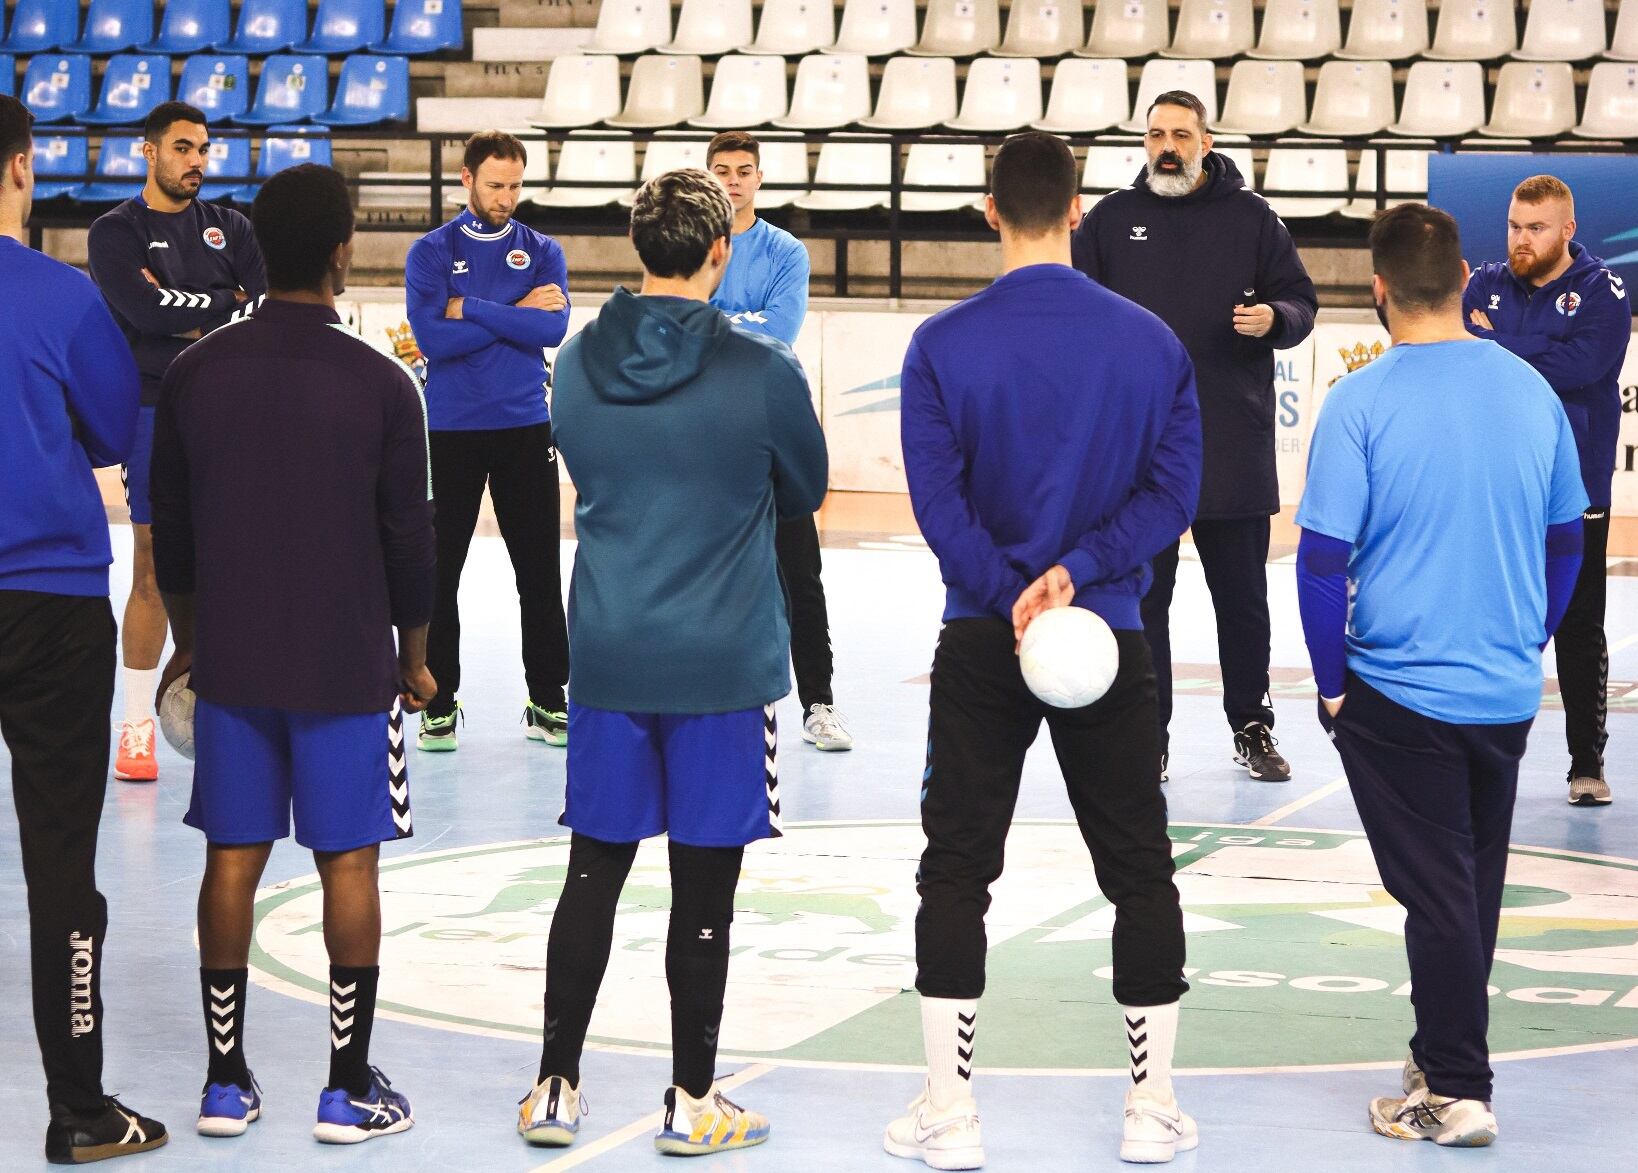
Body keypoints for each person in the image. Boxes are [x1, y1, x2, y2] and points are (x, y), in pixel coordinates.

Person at [891, 131, 1199, 1169]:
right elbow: (1172, 495)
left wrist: (1009, 589)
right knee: (1140, 868)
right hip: (1108, 635)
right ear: (1078, 210)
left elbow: (937, 505)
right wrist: (1081, 569)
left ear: (990, 210)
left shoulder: (941, 343)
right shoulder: (1152, 343)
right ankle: (1151, 1111)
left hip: (984, 637)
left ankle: (951, 1113)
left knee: (957, 871)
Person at [516, 168, 827, 1155]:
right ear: (721, 251)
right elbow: (803, 489)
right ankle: (693, 1099)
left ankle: (554, 1087)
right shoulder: (761, 369)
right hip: (721, 665)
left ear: (639, 249)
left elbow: (579, 458)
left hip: (608, 651)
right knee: (704, 892)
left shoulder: (572, 362)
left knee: (591, 873)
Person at [150, 164, 437, 1146]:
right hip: (344, 664)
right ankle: (346, 1088)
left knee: (232, 860)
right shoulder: (382, 382)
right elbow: (411, 539)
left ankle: (225, 1083)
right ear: (343, 250)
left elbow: (173, 540)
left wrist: (191, 647)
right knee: (347, 864)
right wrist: (418, 657)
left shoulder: (195, 372)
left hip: (232, 662)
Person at [1296, 204, 1587, 1148]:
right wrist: (1529, 638)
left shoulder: (1361, 402)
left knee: (1437, 890)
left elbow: (1321, 561)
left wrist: (1333, 685)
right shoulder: (1532, 392)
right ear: (1466, 280)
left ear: (1376, 288)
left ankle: (1456, 1087)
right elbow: (1568, 540)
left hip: (1398, 689)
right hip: (1503, 692)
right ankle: (1438, 1051)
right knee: (1470, 881)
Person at [0, 92, 169, 1166]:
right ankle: (80, 1112)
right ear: (21, 168)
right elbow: (114, 426)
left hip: (52, 594)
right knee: (62, 857)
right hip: (49, 600)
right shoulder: (59, 298)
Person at [1072, 89, 1318, 785]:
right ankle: (1147, 739)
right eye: (1155, 134)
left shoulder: (1252, 219)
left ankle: (1253, 726)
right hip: (1139, 455)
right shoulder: (1111, 221)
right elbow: (1075, 307)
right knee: (1144, 603)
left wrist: (1275, 318)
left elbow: (1303, 301)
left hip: (1229, 446)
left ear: (1207, 142)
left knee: (1242, 602)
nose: (1167, 146)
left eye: (1181, 133)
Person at [87, 100, 266, 784]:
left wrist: (184, 309)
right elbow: (139, 311)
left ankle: (230, 712)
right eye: (184, 147)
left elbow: (262, 305)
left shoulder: (233, 226)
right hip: (154, 408)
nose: (196, 160)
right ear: (149, 151)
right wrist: (220, 304)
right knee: (154, 564)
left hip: (231, 407)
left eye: (203, 149)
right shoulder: (115, 232)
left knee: (236, 561)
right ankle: (135, 723)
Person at [1462, 175, 1630, 807]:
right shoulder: (1484, 282)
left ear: (1568, 230)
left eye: (1536, 228)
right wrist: (1532, 348)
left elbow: (1584, 366)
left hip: (1572, 487)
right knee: (1486, 618)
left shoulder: (1601, 290)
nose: (1521, 239)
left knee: (1579, 626)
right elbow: (1461, 352)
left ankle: (1586, 764)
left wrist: (1496, 343)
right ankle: (1477, 753)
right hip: (1495, 484)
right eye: (1513, 225)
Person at [404, 130, 572, 753]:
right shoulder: (430, 252)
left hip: (526, 427)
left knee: (538, 572)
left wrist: (466, 307)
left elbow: (552, 327)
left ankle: (547, 700)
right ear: (467, 180)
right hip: (449, 431)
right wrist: (512, 309)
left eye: (515, 185)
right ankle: (438, 703)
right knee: (439, 573)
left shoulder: (543, 250)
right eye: (495, 185)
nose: (506, 197)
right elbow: (431, 338)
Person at [707, 130, 852, 752]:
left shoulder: (786, 251)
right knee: (711, 572)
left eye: (743, 170)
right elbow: (674, 326)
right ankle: (714, 702)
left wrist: (713, 323)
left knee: (800, 573)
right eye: (721, 170)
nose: (733, 180)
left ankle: (818, 703)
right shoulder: (691, 245)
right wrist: (742, 322)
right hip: (705, 431)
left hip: (770, 428)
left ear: (759, 178)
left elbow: (780, 330)